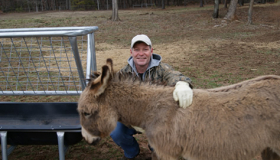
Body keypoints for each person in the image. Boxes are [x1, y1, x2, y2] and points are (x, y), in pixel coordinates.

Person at [110, 34, 193, 160]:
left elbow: (175, 75)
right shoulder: (124, 73)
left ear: (151, 51)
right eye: (137, 50)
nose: (141, 53)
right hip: (132, 118)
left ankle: (155, 149)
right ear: (131, 52)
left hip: (156, 118)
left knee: (159, 141)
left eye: (145, 49)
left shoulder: (162, 69)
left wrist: (181, 83)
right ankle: (132, 153)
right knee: (116, 132)